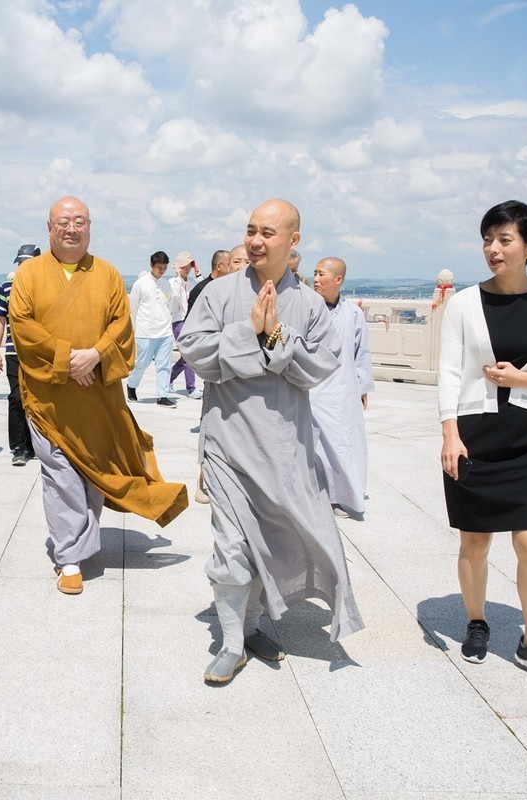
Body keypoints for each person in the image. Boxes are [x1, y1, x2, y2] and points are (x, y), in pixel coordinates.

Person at [178, 199, 363, 684]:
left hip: (284, 448)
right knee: (231, 549)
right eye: (251, 230)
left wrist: (277, 334)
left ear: (293, 241)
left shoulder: (308, 305)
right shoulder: (218, 293)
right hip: (228, 441)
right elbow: (195, 351)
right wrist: (247, 332)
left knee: (272, 542)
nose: (257, 240)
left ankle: (254, 624)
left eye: (268, 232)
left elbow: (320, 367)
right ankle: (232, 643)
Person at [9, 196, 188, 595]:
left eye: (79, 221)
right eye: (63, 222)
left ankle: (81, 539)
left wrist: (94, 357)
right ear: (49, 227)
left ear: (89, 227)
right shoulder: (29, 274)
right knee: (59, 474)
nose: (71, 228)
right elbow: (22, 326)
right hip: (48, 396)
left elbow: (120, 326)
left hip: (97, 394)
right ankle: (69, 555)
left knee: (91, 471)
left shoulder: (107, 273)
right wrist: (67, 359)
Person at [439, 200, 527, 689]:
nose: (492, 249)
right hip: (474, 436)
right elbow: (449, 372)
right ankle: (477, 621)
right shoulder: (462, 303)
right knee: (475, 542)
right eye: (487, 239)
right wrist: (449, 433)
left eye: (504, 240)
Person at [311, 257, 376, 519]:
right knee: (313, 445)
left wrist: (362, 388)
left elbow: (362, 353)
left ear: (338, 280)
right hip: (313, 387)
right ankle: (315, 495)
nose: (315, 279)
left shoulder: (353, 313)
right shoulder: (308, 308)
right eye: (314, 273)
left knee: (343, 443)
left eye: (321, 274)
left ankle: (341, 496)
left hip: (342, 388)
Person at [183, 249, 232, 505]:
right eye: (237, 261)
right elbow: (195, 337)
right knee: (210, 428)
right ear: (224, 265)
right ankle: (204, 479)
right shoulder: (206, 290)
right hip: (218, 372)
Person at [0, 245, 38, 466]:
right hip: (13, 352)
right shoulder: (6, 288)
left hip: (40, 354)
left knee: (39, 399)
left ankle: (37, 445)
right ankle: (19, 446)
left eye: (27, 262)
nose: (23, 267)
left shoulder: (46, 288)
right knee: (17, 398)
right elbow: (0, 319)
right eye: (20, 263)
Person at [126, 251, 177, 407]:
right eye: (159, 267)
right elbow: (133, 308)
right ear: (151, 266)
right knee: (142, 363)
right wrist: (135, 330)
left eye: (164, 267)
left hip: (165, 332)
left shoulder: (166, 284)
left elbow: (169, 306)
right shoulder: (140, 284)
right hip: (145, 332)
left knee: (164, 365)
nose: (161, 270)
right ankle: (131, 385)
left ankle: (162, 395)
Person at [168, 251, 200, 397]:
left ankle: (168, 378)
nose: (188, 268)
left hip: (192, 321)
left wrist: (199, 276)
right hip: (178, 321)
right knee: (190, 355)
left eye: (189, 265)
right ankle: (191, 388)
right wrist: (178, 277)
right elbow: (174, 297)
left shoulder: (193, 282)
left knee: (187, 356)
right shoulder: (173, 283)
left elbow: (204, 290)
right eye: (185, 266)